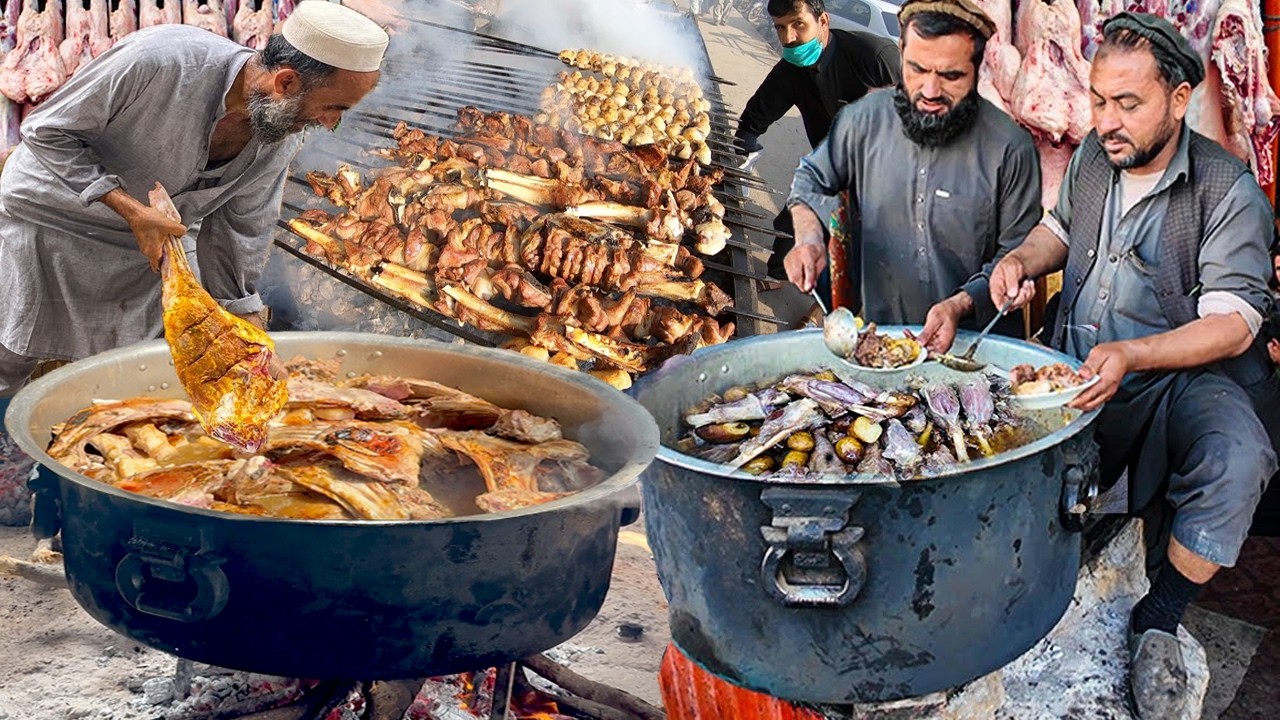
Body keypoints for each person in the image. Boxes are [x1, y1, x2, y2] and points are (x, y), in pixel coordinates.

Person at [987, 13, 1277, 718]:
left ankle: (1160, 616)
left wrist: (1133, 353)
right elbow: (1056, 231)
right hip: (1076, 366)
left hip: (1176, 380)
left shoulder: (1227, 189)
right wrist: (1021, 261)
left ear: (1179, 99)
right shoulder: (1095, 155)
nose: (1107, 121)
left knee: (1239, 458)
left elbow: (1235, 325)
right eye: (1097, 99)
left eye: (1128, 103)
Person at [0, 0, 389, 398]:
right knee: (9, 353)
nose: (329, 125)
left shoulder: (278, 136)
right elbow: (47, 130)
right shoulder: (160, 60)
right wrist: (127, 207)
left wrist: (252, 336)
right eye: (332, 109)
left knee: (139, 373)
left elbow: (239, 233)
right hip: (50, 222)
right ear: (285, 83)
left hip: (149, 252)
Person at [784, 0, 1040, 351]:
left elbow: (1018, 256)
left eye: (951, 75)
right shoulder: (864, 120)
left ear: (976, 67)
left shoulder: (1009, 148)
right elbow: (811, 178)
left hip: (976, 350)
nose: (930, 92)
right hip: (886, 342)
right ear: (902, 51)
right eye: (917, 70)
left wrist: (958, 305)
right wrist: (809, 237)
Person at [735, 0, 900, 283]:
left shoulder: (875, 58)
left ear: (823, 21)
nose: (788, 38)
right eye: (780, 27)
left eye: (798, 24)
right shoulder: (791, 68)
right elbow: (758, 114)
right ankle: (779, 277)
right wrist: (744, 146)